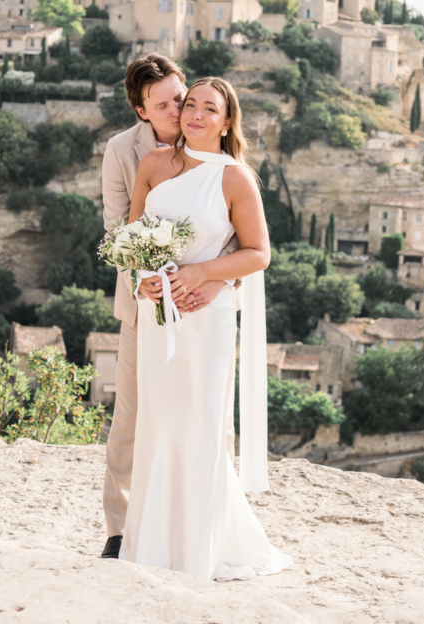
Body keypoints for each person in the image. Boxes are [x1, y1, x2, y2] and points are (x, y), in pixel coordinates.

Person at [119, 76, 291, 580]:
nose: (194, 114)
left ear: (227, 120)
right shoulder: (152, 165)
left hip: (205, 321)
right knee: (159, 427)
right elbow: (132, 241)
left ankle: (197, 551)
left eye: (208, 108)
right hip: (158, 319)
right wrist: (143, 281)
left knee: (199, 429)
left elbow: (258, 254)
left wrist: (202, 274)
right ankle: (149, 544)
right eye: (189, 104)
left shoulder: (236, 178)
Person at [98, 55, 235, 559]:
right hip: (144, 306)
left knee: (210, 418)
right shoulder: (122, 153)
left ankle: (206, 526)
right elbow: (118, 230)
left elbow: (241, 238)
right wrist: (145, 277)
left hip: (206, 302)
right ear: (141, 111)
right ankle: (120, 529)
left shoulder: (215, 144)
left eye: (182, 97)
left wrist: (214, 283)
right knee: (131, 418)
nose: (181, 110)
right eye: (166, 104)